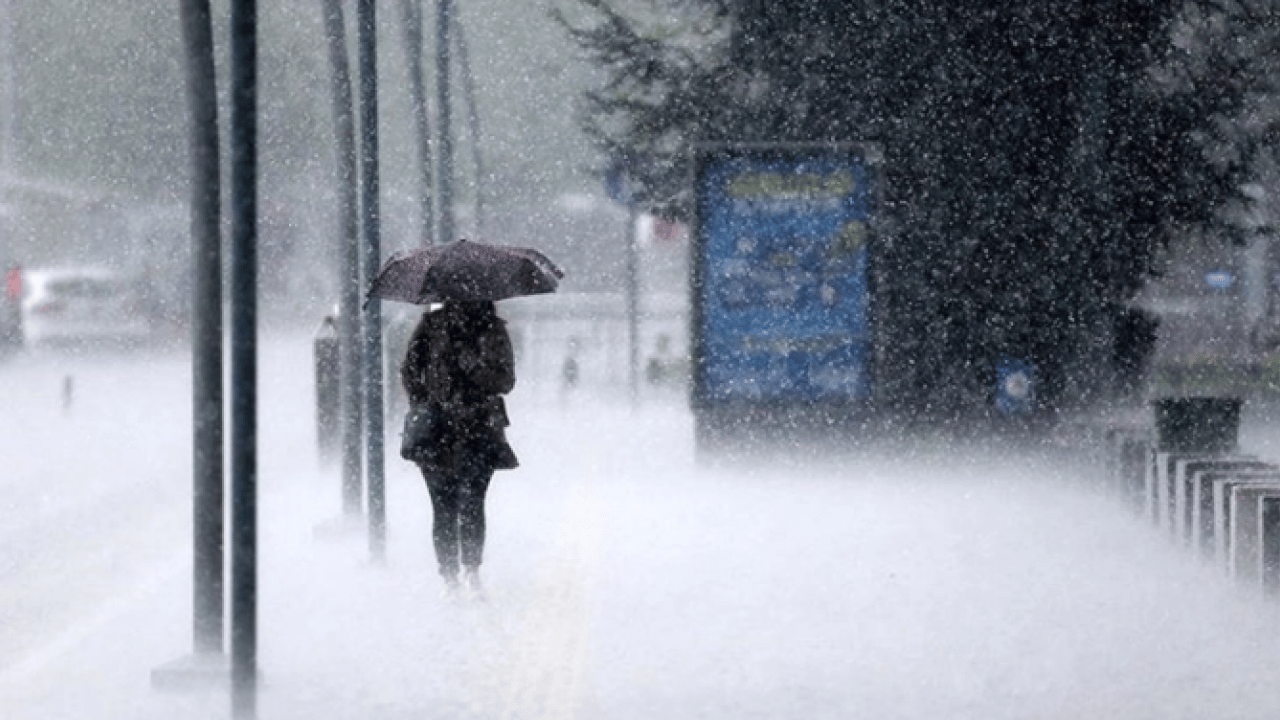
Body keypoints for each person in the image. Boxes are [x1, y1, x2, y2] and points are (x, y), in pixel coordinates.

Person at [400, 300, 518, 598]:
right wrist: (425, 402)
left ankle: (471, 571)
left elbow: (505, 381)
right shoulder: (431, 326)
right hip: (437, 431)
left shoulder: (493, 329)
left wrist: (475, 367)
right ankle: (450, 576)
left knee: (473, 504)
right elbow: (410, 370)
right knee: (443, 507)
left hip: (479, 430)